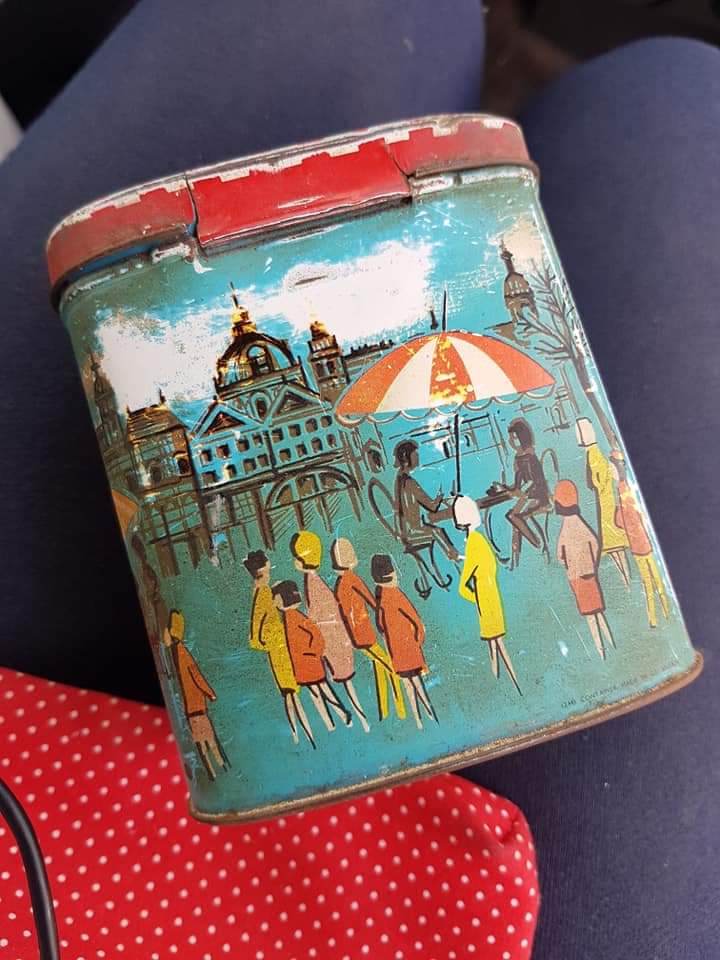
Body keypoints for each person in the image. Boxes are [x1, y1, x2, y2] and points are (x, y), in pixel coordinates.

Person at [290, 531, 370, 732]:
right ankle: (356, 718)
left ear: (301, 560)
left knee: (347, 684)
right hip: (332, 641)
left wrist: (321, 645)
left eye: (296, 556)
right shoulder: (312, 581)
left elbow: (323, 617)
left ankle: (362, 720)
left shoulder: (314, 584)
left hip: (333, 642)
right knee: (344, 684)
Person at [243, 550, 315, 748]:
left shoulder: (262, 590)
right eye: (267, 569)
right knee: (290, 693)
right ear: (261, 571)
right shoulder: (263, 591)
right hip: (278, 648)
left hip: (279, 645)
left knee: (291, 693)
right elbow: (257, 626)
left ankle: (301, 733)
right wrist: (267, 641)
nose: (269, 572)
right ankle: (301, 733)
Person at [331, 537, 406, 722]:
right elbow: (372, 601)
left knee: (380, 669)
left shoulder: (341, 583)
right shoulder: (351, 579)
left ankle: (385, 711)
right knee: (391, 668)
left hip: (359, 636)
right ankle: (401, 710)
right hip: (363, 636)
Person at [452, 495, 521, 693]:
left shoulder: (473, 542)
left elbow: (463, 587)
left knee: (494, 646)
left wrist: (477, 599)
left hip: (485, 597)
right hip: (492, 594)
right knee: (498, 644)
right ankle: (512, 685)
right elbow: (481, 563)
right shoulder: (479, 540)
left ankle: (503, 684)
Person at [271, 579, 353, 733]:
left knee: (322, 691)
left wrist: (314, 653)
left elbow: (317, 637)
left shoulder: (295, 617)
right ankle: (332, 722)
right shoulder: (289, 618)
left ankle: (340, 715)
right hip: (303, 665)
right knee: (318, 693)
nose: (274, 602)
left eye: (275, 598)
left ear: (283, 598)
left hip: (309, 663)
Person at [371, 554, 437, 730]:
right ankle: (429, 713)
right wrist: (418, 641)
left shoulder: (381, 597)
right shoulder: (395, 594)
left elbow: (380, 626)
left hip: (396, 652)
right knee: (417, 684)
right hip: (409, 649)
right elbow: (416, 621)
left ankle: (418, 719)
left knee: (409, 686)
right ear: (392, 574)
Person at [162, 609, 229, 781]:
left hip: (195, 707)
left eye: (167, 632)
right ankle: (216, 770)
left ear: (171, 632)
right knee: (204, 741)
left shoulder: (180, 652)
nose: (165, 635)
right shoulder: (173, 652)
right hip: (191, 708)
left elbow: (195, 675)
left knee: (207, 741)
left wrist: (210, 694)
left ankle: (219, 768)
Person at [554, 480, 615, 660]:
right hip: (589, 573)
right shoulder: (581, 525)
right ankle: (610, 642)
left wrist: (569, 565)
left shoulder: (566, 530)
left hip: (576, 576)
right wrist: (592, 564)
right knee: (598, 612)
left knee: (590, 616)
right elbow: (595, 544)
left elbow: (560, 556)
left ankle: (601, 651)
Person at [609, 450, 670, 629]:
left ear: (616, 468)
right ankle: (663, 613)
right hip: (641, 542)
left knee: (650, 581)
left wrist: (617, 512)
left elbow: (622, 520)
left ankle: (656, 618)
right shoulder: (624, 488)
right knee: (655, 580)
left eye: (611, 467)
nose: (610, 470)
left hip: (639, 544)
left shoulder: (623, 490)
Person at [575, 417, 631, 588]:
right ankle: (626, 580)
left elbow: (599, 480)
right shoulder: (593, 453)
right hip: (604, 503)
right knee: (615, 549)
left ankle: (627, 581)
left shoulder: (594, 454)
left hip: (606, 503)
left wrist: (599, 482)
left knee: (615, 546)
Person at [394, 440, 460, 561]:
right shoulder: (409, 482)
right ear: (406, 458)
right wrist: (440, 496)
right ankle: (455, 557)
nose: (418, 457)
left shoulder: (400, 478)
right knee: (438, 531)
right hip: (412, 531)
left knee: (438, 527)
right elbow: (432, 507)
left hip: (407, 527)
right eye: (415, 455)